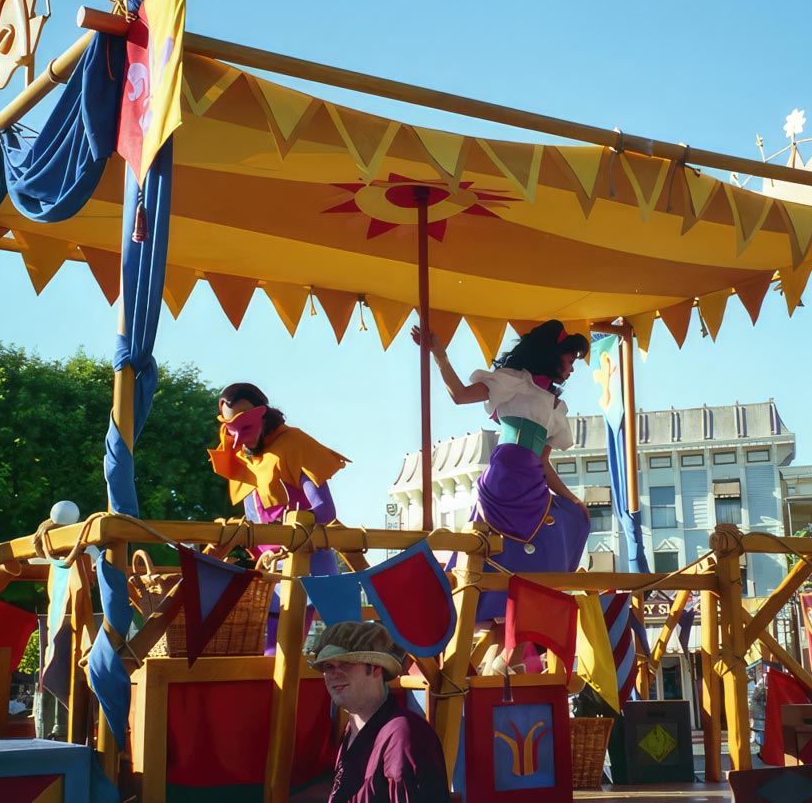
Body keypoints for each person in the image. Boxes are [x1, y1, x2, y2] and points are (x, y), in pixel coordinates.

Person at [412, 320, 592, 622]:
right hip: (504, 478)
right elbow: (459, 395)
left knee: (570, 522)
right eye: (571, 360)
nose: (572, 369)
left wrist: (574, 500)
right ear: (552, 353)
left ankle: (516, 627)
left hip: (532, 481)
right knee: (493, 548)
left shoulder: (555, 405)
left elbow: (543, 462)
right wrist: (440, 356)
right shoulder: (513, 380)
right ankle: (472, 611)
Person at [208, 382, 349, 576]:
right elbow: (254, 521)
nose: (239, 439)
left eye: (246, 426)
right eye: (232, 430)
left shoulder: (293, 444)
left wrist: (289, 526)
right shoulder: (241, 458)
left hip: (308, 566)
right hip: (268, 572)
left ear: (264, 416)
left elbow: (325, 510)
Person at [309, 621, 451, 802]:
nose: (335, 673)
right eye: (328, 666)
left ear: (377, 668)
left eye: (346, 663)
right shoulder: (352, 730)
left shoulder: (403, 735)